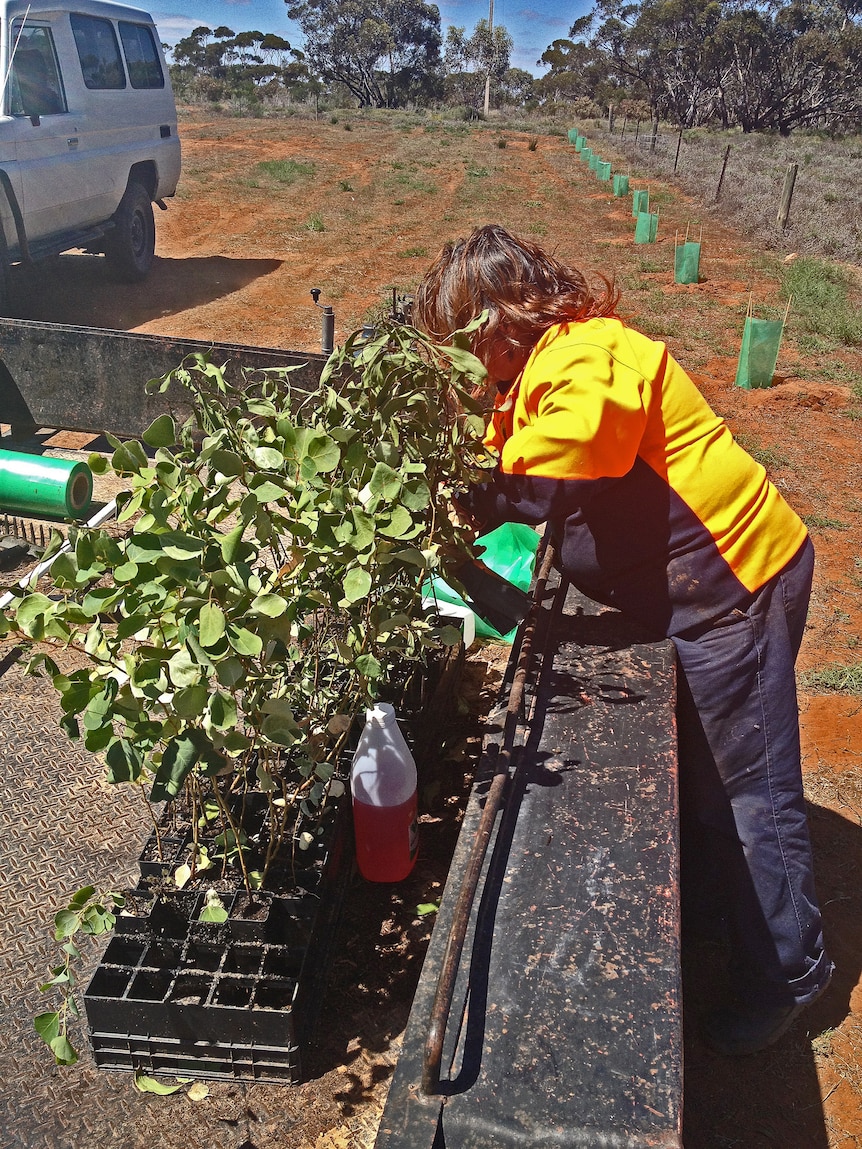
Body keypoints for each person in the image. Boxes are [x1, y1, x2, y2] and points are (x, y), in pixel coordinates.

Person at [414, 222, 833, 1057]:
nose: (460, 362)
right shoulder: (534, 375)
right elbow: (520, 450)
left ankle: (790, 973)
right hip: (693, 596)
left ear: (499, 316)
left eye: (462, 338)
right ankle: (724, 906)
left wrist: (486, 485)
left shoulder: (587, 352)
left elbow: (576, 448)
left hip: (734, 586)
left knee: (746, 789)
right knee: (709, 773)